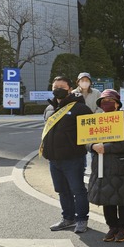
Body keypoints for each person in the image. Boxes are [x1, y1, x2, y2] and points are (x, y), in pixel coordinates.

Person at [41, 76, 94, 233]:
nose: (58, 89)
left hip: (73, 158)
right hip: (54, 159)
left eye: (62, 87)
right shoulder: (49, 108)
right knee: (62, 190)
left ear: (70, 89)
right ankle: (68, 218)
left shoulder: (80, 108)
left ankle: (82, 219)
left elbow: (89, 134)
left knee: (78, 190)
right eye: (55, 86)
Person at [87, 89, 124, 242]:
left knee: (123, 198)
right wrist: (92, 146)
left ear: (117, 103)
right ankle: (112, 227)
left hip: (120, 165)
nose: (106, 104)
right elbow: (86, 140)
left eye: (110, 101)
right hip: (101, 165)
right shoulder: (96, 120)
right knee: (106, 197)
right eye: (103, 102)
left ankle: (123, 228)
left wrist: (106, 148)